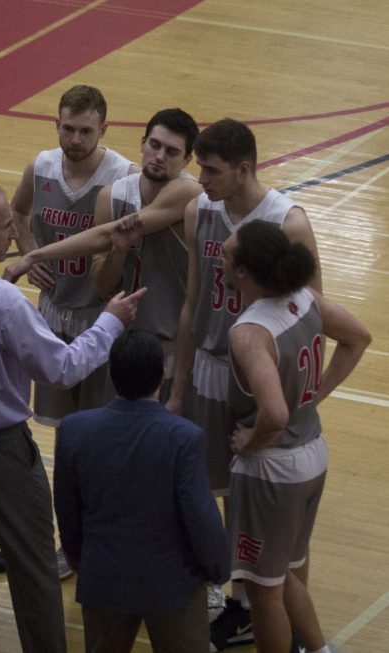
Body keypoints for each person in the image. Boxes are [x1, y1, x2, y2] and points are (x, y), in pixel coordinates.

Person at [0, 180, 145, 653]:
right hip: (0, 452)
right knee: (34, 569)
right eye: (6, 228)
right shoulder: (4, 303)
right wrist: (111, 321)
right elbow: (61, 369)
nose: (14, 238)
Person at [156, 119, 322, 648]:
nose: (198, 177)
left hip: (260, 374)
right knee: (218, 492)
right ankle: (243, 601)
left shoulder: (287, 220)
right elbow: (191, 303)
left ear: (245, 168)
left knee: (272, 514)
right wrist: (179, 389)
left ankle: (271, 601)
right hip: (209, 366)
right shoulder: (197, 210)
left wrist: (307, 394)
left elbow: (314, 312)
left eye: (211, 169)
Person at [222, 221, 369, 653]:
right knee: (284, 572)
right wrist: (315, 396)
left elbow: (274, 412)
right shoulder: (304, 298)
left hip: (273, 472)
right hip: (312, 455)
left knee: (263, 590)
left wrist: (249, 443)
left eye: (227, 255)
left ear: (245, 272)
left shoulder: (250, 332)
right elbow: (358, 338)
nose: (220, 257)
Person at [55, 329, 231, 653]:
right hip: (173, 585)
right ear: (162, 375)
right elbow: (200, 515)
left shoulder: (73, 430)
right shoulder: (184, 437)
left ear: (110, 372)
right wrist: (218, 568)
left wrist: (80, 558)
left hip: (103, 579)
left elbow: (67, 509)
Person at [9, 85, 138, 433]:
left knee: (102, 427)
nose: (76, 139)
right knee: (62, 427)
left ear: (104, 130)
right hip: (53, 311)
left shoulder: (124, 176)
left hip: (101, 316)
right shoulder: (40, 167)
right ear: (57, 124)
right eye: (69, 129)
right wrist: (29, 254)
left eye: (86, 131)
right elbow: (17, 213)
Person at [90, 108, 202, 401]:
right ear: (142, 143)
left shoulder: (194, 199)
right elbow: (102, 288)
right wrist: (118, 251)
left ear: (187, 160)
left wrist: (35, 256)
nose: (160, 156)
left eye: (172, 151)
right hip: (123, 344)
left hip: (172, 347)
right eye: (155, 145)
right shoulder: (111, 197)